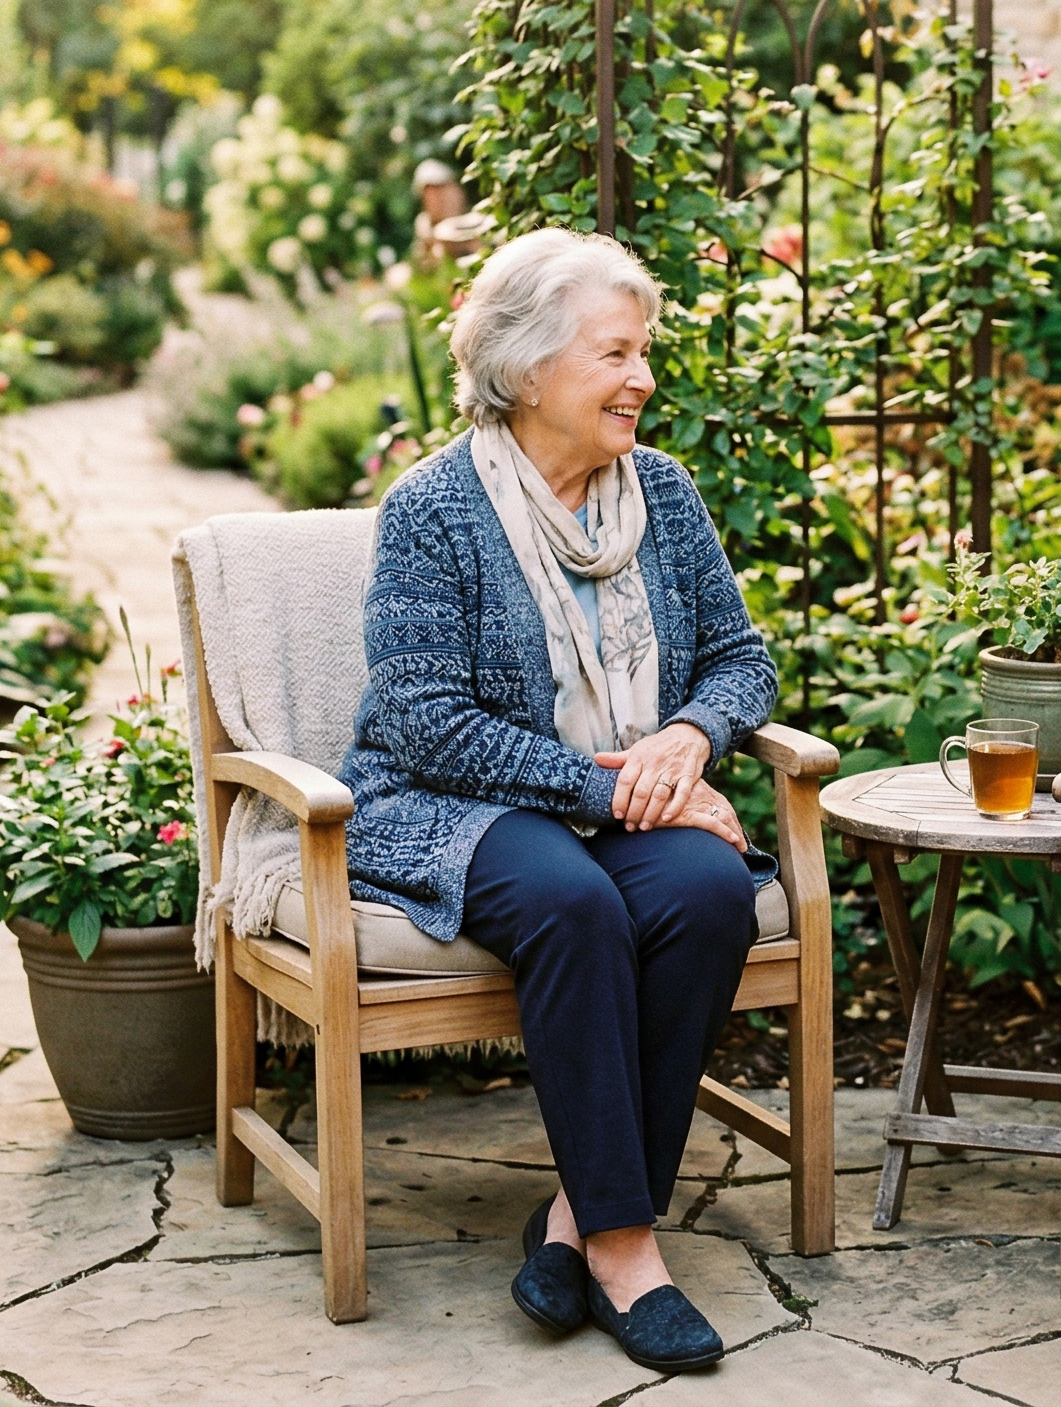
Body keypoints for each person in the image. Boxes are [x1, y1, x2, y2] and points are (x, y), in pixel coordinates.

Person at [337, 227, 777, 1375]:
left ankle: (575, 1221)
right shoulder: (432, 506)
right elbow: (425, 720)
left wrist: (687, 733)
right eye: (616, 355)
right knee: (574, 903)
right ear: (529, 369)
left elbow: (742, 661)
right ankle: (632, 1250)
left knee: (710, 888)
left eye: (645, 352)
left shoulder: (662, 494)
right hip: (455, 803)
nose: (644, 378)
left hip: (623, 797)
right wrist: (622, 786)